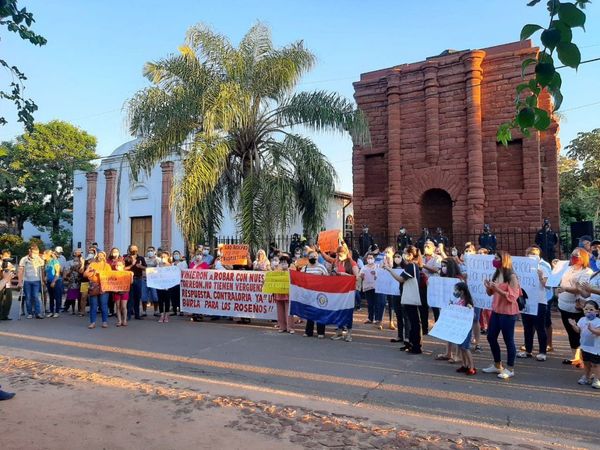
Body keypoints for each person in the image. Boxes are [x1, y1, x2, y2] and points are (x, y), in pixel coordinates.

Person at [482, 251, 521, 379]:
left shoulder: (512, 277)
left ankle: (510, 368)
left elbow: (513, 296)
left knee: (508, 339)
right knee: (491, 337)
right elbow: (490, 294)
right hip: (497, 311)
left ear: (504, 260)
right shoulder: (496, 274)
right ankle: (497, 364)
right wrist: (488, 287)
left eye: (497, 258)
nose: (494, 260)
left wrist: (497, 289)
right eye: (494, 257)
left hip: (508, 312)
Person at [557, 247, 593, 367]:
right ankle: (576, 357)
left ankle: (585, 359)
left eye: (576, 255)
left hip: (576, 307)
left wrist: (566, 289)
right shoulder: (568, 269)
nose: (573, 257)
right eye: (572, 255)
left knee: (579, 332)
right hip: (563, 305)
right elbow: (560, 280)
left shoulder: (587, 272)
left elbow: (581, 289)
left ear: (583, 258)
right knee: (570, 332)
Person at [385, 245, 423, 354]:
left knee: (414, 322)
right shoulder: (412, 265)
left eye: (406, 253)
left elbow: (400, 279)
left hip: (411, 297)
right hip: (409, 296)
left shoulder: (411, 266)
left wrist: (389, 270)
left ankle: (416, 345)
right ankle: (411, 343)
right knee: (413, 321)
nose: (404, 256)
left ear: (411, 255)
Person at [517, 246, 551, 361]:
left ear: (538, 255)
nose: (529, 255)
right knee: (527, 327)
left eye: (532, 253)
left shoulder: (542, 267)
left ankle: (542, 351)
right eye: (528, 253)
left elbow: (548, 285)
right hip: (526, 301)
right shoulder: (523, 268)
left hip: (539, 301)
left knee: (540, 327)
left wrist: (541, 276)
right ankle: (528, 350)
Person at [567, 300, 600, 388]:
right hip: (584, 347)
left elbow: (599, 332)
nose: (588, 311)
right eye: (586, 309)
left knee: (596, 364)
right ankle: (587, 377)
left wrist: (592, 330)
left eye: (591, 309)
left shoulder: (598, 321)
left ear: (597, 311)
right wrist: (574, 325)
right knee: (586, 363)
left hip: (595, 349)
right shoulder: (582, 320)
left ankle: (597, 379)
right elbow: (578, 330)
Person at [300, 250, 329, 338]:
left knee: (320, 312)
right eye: (311, 257)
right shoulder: (304, 268)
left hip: (319, 293)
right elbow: (300, 279)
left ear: (317, 258)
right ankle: (309, 332)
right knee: (310, 312)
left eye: (314, 257)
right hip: (309, 294)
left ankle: (321, 332)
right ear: (308, 258)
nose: (313, 258)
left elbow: (327, 279)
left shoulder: (321, 267)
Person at [452, 282, 477, 376]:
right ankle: (464, 364)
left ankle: (472, 366)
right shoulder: (459, 300)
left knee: (465, 348)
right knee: (460, 347)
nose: (455, 292)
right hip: (459, 327)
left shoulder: (468, 302)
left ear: (462, 291)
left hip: (465, 328)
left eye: (457, 290)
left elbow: (473, 316)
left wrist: (469, 309)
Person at [84, 251, 112, 329]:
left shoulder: (107, 265)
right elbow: (85, 274)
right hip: (94, 286)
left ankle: (104, 322)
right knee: (93, 305)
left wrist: (100, 272)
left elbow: (110, 276)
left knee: (104, 305)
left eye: (102, 255)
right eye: (99, 255)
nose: (100, 256)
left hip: (104, 286)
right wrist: (90, 271)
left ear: (104, 256)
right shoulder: (92, 264)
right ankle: (92, 322)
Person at [17, 244, 45, 319]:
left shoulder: (39, 259)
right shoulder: (24, 259)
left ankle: (38, 313)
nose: (36, 255)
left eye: (37, 253)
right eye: (34, 253)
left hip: (37, 280)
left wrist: (43, 280)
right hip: (26, 281)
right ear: (29, 251)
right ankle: (30, 313)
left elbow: (42, 270)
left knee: (36, 296)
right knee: (28, 297)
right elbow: (20, 271)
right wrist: (20, 281)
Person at [389, 252, 410, 347]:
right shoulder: (392, 268)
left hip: (403, 293)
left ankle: (407, 336)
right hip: (395, 294)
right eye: (395, 257)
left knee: (405, 315)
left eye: (398, 257)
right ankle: (399, 335)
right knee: (398, 314)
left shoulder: (406, 268)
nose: (396, 258)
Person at [273, 254, 294, 334]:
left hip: (288, 293)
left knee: (288, 311)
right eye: (282, 262)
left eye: (285, 262)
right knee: (280, 311)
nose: (283, 264)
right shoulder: (277, 271)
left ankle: (290, 327)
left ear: (288, 263)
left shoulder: (291, 270)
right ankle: (282, 327)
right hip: (278, 293)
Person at [126, 245, 146, 321]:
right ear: (129, 250)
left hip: (138, 279)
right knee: (129, 297)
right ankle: (128, 315)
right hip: (129, 279)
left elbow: (145, 268)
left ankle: (137, 315)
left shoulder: (141, 258)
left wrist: (140, 266)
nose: (134, 250)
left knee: (137, 297)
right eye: (132, 249)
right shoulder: (126, 258)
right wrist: (132, 264)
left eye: (135, 249)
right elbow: (123, 268)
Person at [63, 249, 84, 315]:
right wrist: (70, 271)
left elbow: (82, 274)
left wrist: (79, 267)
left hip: (80, 283)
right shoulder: (70, 265)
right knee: (72, 297)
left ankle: (80, 310)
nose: (76, 262)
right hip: (72, 284)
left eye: (77, 261)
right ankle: (73, 310)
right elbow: (66, 275)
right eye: (74, 261)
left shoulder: (82, 265)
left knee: (80, 297)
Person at [113, 257, 133, 327]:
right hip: (116, 292)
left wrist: (132, 276)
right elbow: (111, 283)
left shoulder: (127, 273)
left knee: (124, 306)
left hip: (124, 291)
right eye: (117, 265)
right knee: (118, 306)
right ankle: (119, 321)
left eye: (120, 265)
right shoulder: (113, 273)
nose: (118, 267)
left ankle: (124, 320)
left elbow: (131, 282)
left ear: (123, 266)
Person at [360, 253, 378, 326]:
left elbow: (380, 276)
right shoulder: (364, 267)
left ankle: (376, 318)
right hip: (367, 287)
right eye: (368, 258)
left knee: (375, 303)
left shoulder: (377, 266)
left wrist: (376, 274)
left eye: (371, 258)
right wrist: (362, 276)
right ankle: (370, 318)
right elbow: (360, 276)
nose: (370, 259)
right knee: (370, 303)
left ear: (374, 259)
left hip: (375, 287)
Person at [43, 250, 63, 318]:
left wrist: (54, 281)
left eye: (44, 254)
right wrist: (45, 277)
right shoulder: (46, 262)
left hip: (56, 281)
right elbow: (47, 272)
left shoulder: (55, 261)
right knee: (51, 297)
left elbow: (57, 272)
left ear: (48, 255)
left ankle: (57, 311)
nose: (43, 255)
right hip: (49, 281)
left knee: (57, 297)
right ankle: (51, 311)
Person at [142, 246, 160, 317]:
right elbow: (141, 267)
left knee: (155, 297)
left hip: (154, 280)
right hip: (145, 279)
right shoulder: (144, 259)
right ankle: (144, 311)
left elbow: (159, 268)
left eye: (151, 251)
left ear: (154, 252)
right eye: (148, 251)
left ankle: (156, 311)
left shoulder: (158, 259)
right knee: (144, 297)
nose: (150, 252)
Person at [156, 251, 173, 323]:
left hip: (167, 286)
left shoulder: (171, 266)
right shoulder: (158, 265)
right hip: (159, 285)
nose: (163, 258)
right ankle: (161, 315)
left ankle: (166, 315)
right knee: (160, 300)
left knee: (167, 300)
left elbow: (172, 276)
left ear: (168, 257)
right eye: (162, 257)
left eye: (164, 257)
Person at [0, 249, 15, 320]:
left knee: (8, 299)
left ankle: (5, 315)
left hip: (8, 284)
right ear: (1, 256)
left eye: (8, 256)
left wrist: (11, 270)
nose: (7, 258)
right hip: (1, 283)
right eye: (6, 256)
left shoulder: (9, 263)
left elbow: (14, 271)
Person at [170, 250, 187, 315]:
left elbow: (185, 271)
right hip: (173, 282)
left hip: (180, 281)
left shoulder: (183, 263)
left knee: (180, 296)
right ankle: (174, 310)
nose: (176, 255)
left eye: (177, 254)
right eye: (174, 254)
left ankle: (181, 310)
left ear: (180, 255)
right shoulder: (171, 264)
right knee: (173, 296)